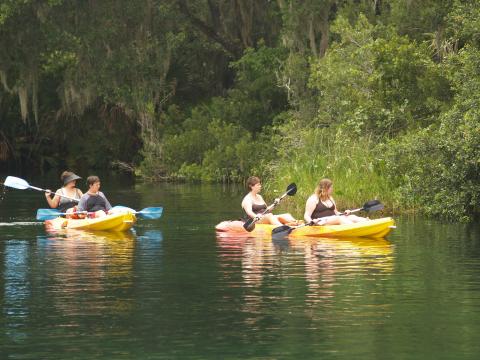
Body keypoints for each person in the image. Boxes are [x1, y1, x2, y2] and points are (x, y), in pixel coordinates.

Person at [304, 178, 369, 225]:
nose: (332, 189)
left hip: (334, 219)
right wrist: (311, 221)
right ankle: (356, 228)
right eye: (331, 188)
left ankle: (368, 223)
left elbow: (336, 212)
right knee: (339, 219)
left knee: (351, 217)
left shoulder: (330, 198)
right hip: (321, 222)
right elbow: (306, 215)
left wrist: (344, 213)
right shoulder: (313, 199)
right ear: (325, 189)